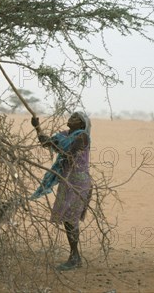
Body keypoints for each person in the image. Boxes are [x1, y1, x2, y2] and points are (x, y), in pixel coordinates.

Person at [30, 111, 92, 271]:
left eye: (76, 118)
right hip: (66, 180)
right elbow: (46, 143)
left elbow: (69, 154)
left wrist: (53, 143)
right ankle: (74, 256)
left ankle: (75, 257)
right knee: (67, 218)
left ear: (82, 124)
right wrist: (37, 128)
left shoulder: (82, 137)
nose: (71, 118)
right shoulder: (64, 135)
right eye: (72, 116)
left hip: (77, 182)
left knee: (71, 219)